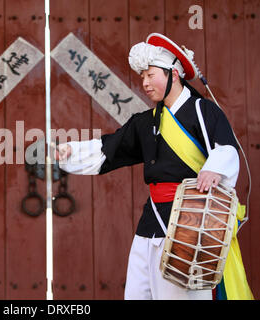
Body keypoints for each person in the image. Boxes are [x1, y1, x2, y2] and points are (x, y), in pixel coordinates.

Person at [54, 33, 240, 300]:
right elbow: (109, 148)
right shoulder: (145, 122)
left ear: (173, 74)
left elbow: (226, 149)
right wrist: (69, 150)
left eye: (151, 75)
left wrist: (215, 169)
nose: (144, 83)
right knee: (137, 292)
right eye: (142, 77)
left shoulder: (204, 111)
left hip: (190, 220)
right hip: (151, 220)